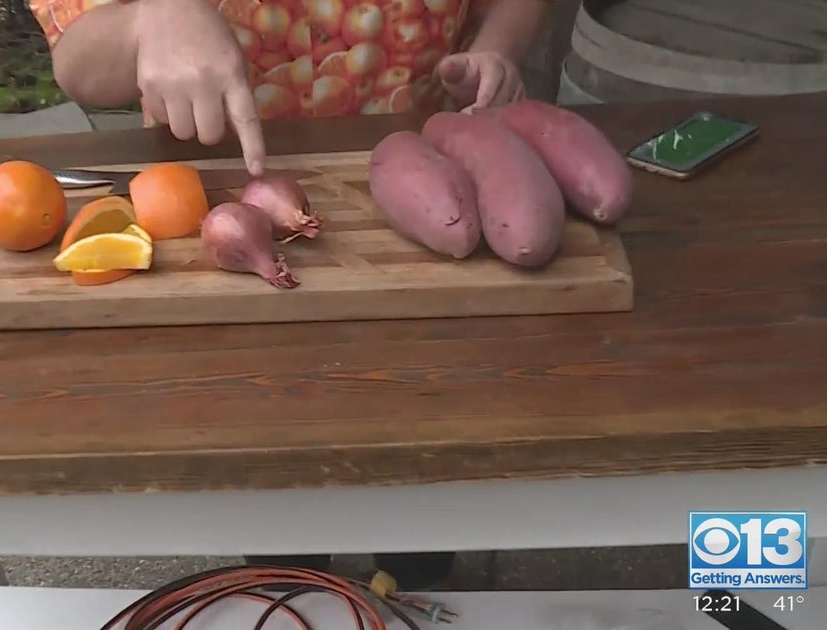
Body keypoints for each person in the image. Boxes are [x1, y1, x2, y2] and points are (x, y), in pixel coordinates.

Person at [28, 0, 557, 590]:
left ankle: (417, 571)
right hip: (219, 197)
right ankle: (292, 584)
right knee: (267, 463)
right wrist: (148, 20)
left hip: (419, 211)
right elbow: (75, 60)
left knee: (422, 456)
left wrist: (499, 47)